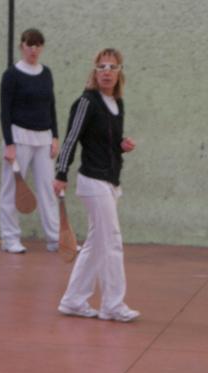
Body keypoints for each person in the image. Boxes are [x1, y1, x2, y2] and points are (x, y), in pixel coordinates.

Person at [53, 48, 140, 322]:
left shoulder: (118, 104)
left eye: (112, 67)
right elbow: (70, 139)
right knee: (112, 240)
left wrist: (121, 146)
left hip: (111, 181)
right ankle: (113, 305)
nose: (106, 71)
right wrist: (60, 173)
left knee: (96, 244)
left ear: (119, 72)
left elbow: (106, 142)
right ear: (94, 71)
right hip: (92, 181)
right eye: (101, 66)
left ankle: (73, 301)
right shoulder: (85, 102)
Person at [0, 28, 60, 253]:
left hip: (44, 138)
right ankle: (10, 239)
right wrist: (9, 143)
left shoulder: (46, 73)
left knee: (48, 188)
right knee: (10, 189)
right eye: (29, 44)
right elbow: (4, 111)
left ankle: (54, 238)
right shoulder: (11, 75)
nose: (34, 49)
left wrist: (55, 136)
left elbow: (51, 106)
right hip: (18, 137)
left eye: (38, 45)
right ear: (21, 46)